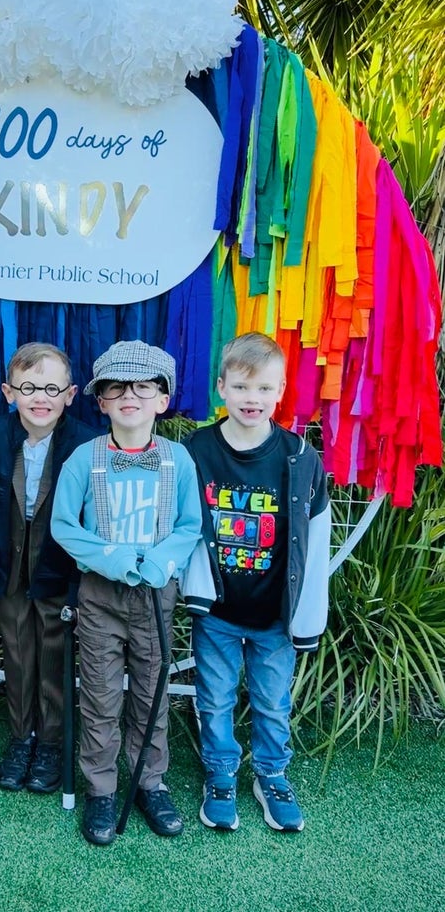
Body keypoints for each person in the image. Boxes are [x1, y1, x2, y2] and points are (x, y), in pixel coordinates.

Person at [51, 340, 201, 845]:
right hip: (99, 596)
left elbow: (189, 525)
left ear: (163, 399)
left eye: (144, 386)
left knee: (151, 694)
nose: (130, 396)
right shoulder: (82, 459)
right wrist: (111, 557)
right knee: (98, 693)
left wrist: (161, 560)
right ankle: (101, 788)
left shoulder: (178, 460)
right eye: (118, 387)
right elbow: (64, 526)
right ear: (102, 400)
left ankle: (149, 781)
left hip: (157, 597)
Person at [182, 331, 330, 833]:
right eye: (243, 387)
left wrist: (307, 616)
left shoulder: (300, 458)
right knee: (216, 696)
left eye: (265, 389)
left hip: (274, 614)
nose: (253, 399)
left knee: (271, 700)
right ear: (222, 387)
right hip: (219, 609)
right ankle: (221, 773)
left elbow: (316, 541)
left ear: (282, 390)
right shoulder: (196, 450)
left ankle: (271, 774)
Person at [0, 343, 97, 794]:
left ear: (71, 394)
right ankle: (22, 738)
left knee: (55, 656)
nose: (41, 397)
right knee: (17, 655)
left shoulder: (86, 443)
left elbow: (94, 516)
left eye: (52, 388)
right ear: (8, 391)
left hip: (59, 572)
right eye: (29, 387)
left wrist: (80, 584)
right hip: (7, 572)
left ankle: (52, 741)